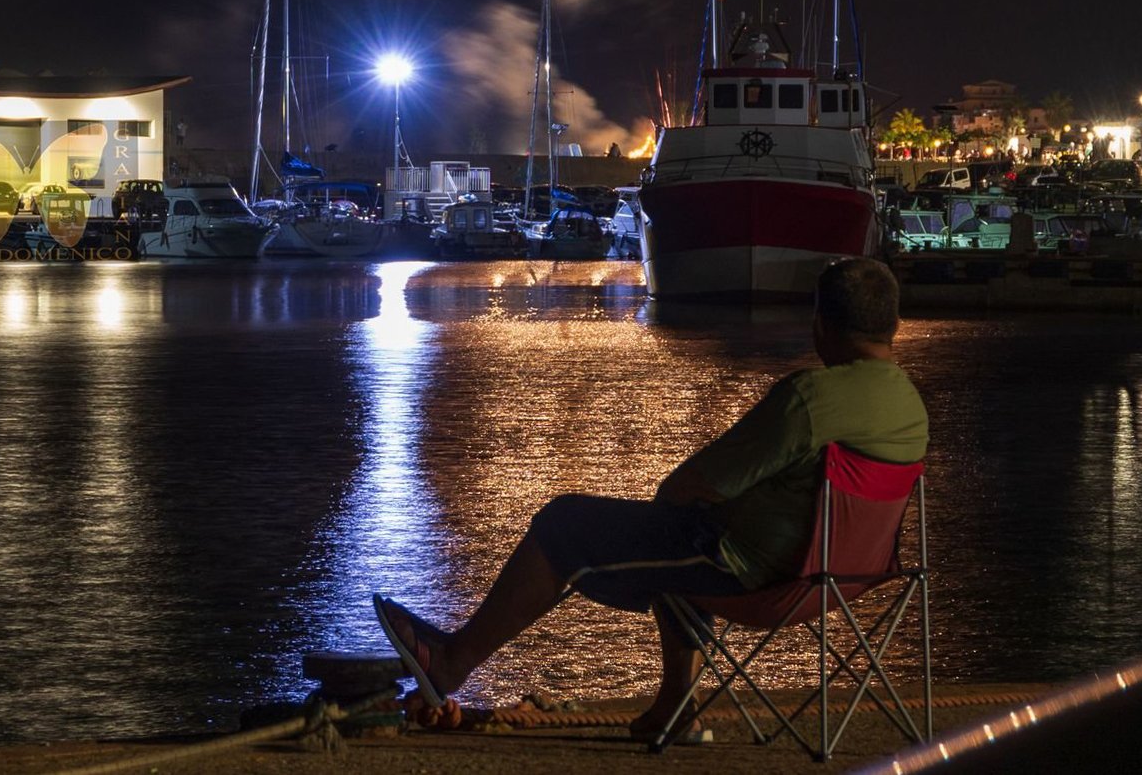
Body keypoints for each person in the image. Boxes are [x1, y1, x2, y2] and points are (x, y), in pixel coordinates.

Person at [374, 256, 927, 737]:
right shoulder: (910, 407)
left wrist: (684, 503)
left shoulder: (811, 398)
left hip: (755, 575)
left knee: (564, 522)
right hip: (844, 582)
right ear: (893, 325)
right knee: (677, 539)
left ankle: (452, 660)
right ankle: (675, 708)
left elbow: (695, 483)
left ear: (821, 323)